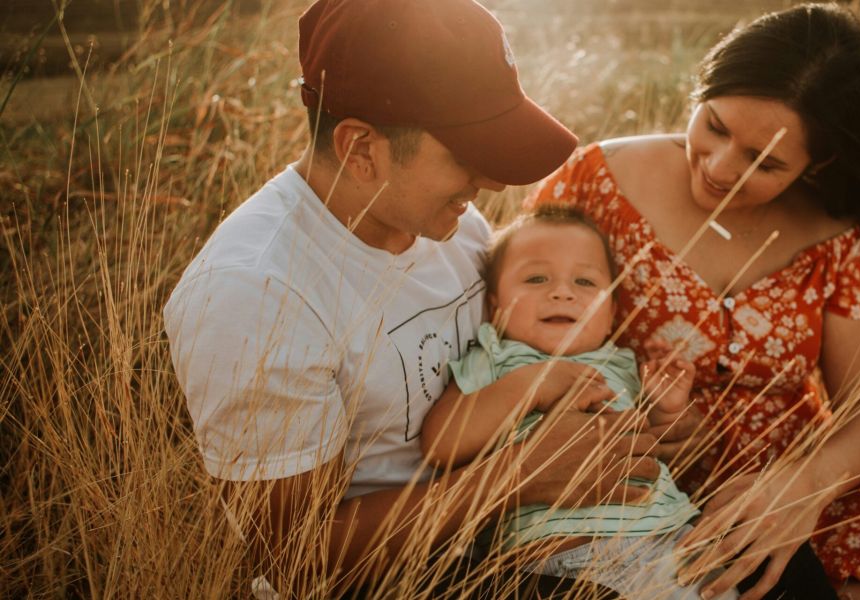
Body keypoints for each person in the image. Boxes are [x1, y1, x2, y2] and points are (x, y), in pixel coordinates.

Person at [526, 4, 860, 600]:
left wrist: (799, 488)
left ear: (820, 161)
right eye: (716, 125)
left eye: (765, 161)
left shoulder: (831, 232)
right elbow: (512, 324)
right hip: (636, 480)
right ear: (702, 90)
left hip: (799, 478)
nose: (721, 168)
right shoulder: (597, 180)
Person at [162, 0, 657, 596]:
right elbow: (293, 553)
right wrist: (516, 477)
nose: (494, 183)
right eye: (465, 155)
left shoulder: (449, 221)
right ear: (359, 148)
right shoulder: (253, 295)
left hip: (512, 530)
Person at [419, 205, 736, 600]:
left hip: (673, 541)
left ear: (611, 314)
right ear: (496, 306)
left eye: (585, 282)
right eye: (536, 278)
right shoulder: (496, 359)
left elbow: (656, 449)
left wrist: (667, 407)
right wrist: (531, 384)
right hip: (568, 559)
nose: (562, 291)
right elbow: (441, 443)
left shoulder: (620, 362)